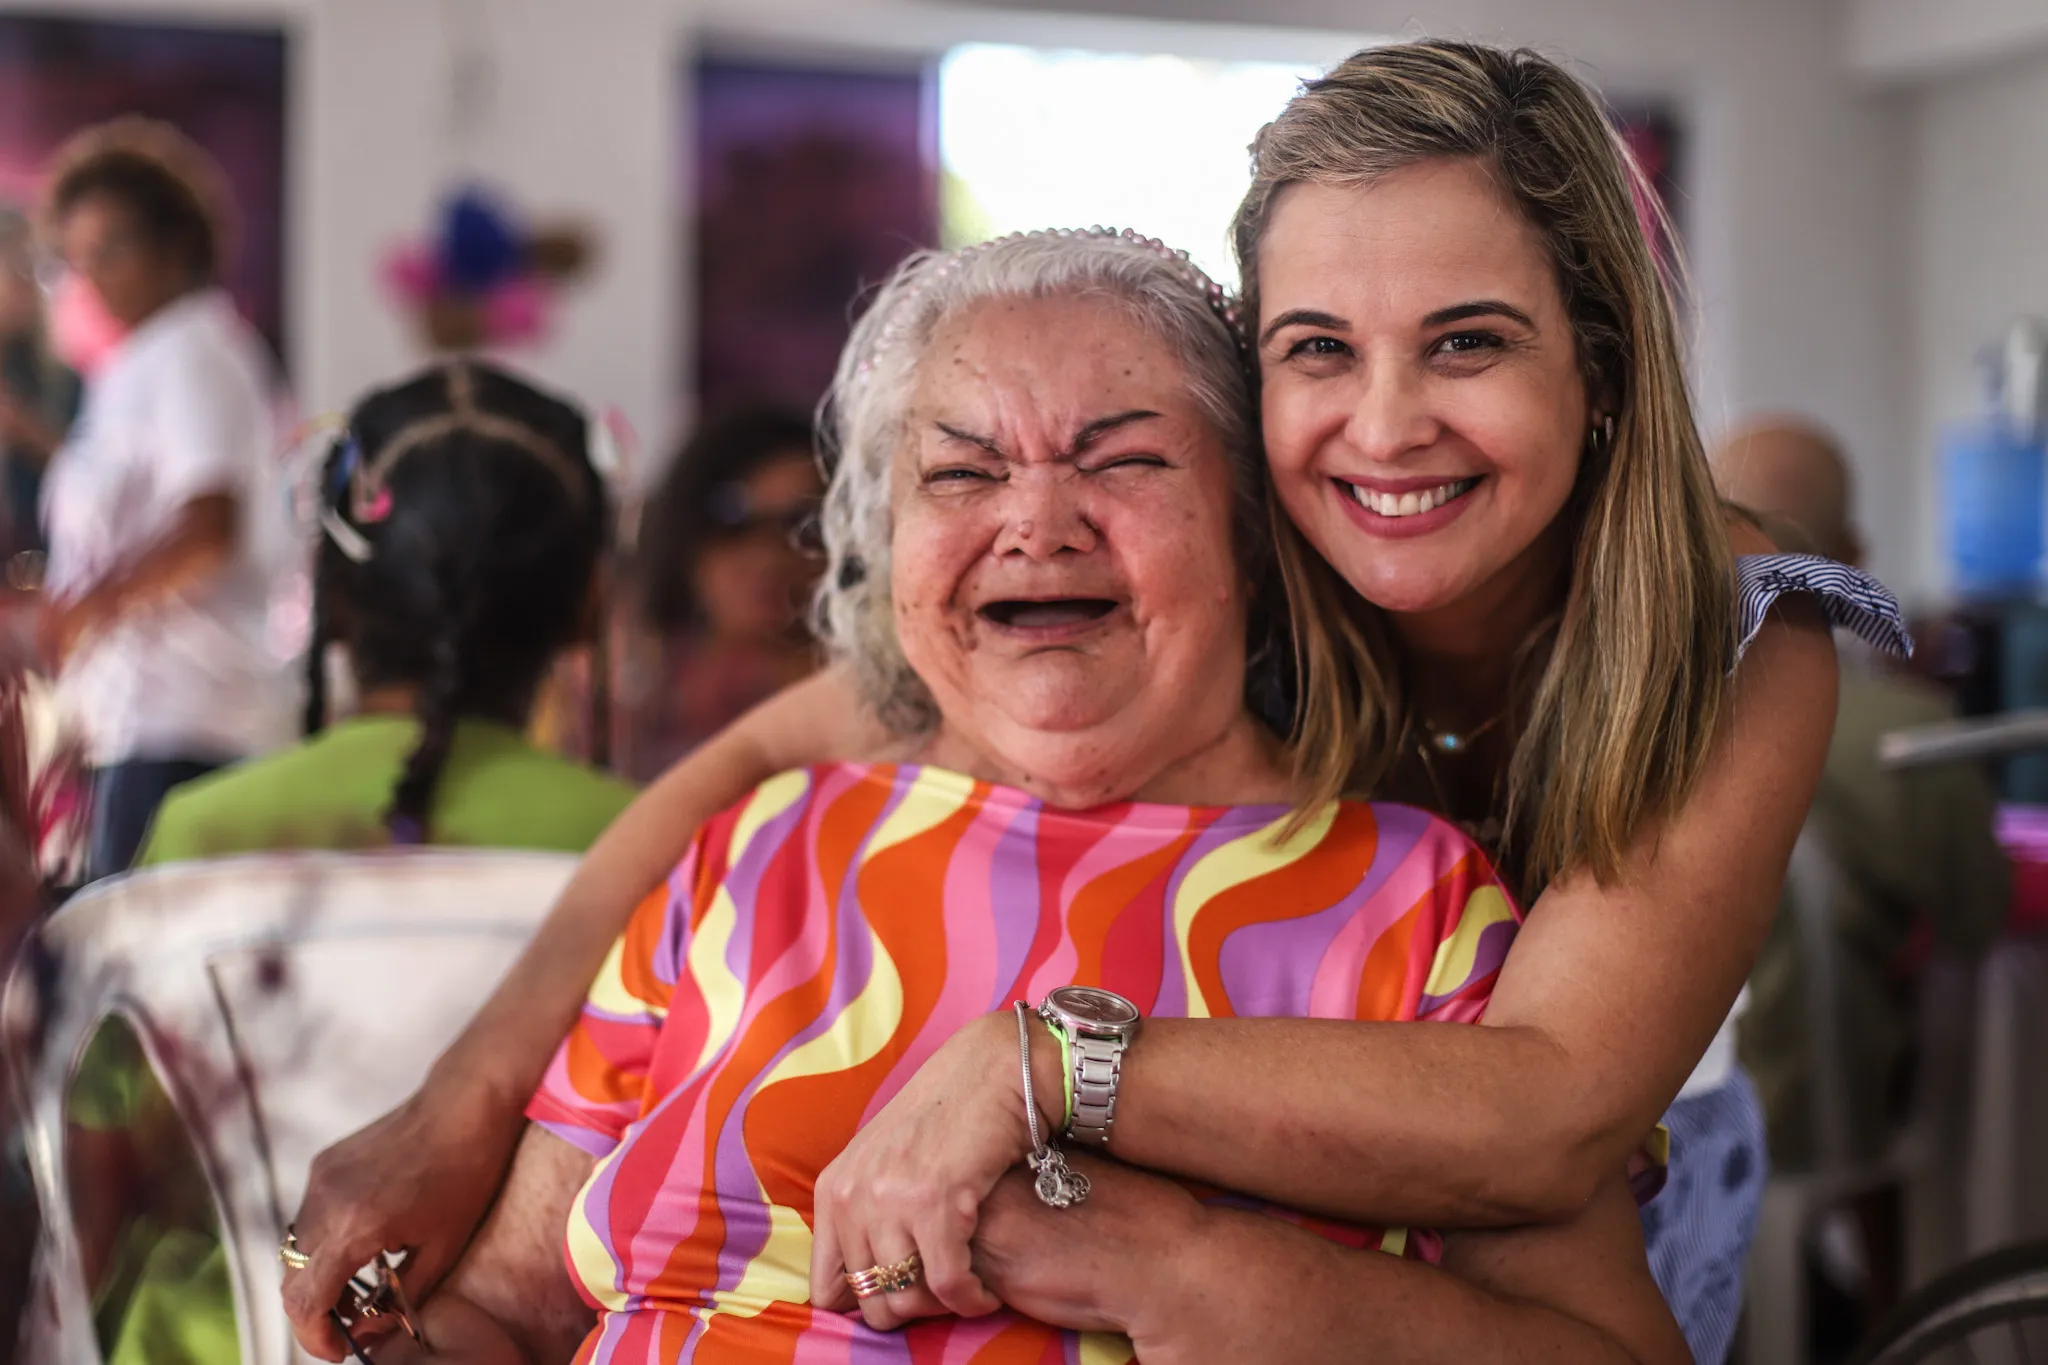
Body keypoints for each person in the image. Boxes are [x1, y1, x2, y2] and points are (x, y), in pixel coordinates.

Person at [283, 42, 1906, 1365]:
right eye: (1318, 350)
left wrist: (1061, 1090)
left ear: (1602, 368)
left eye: (1467, 343)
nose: (1385, 424)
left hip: (1563, 1182)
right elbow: (753, 772)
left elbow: (1545, 1114)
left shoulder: (1720, 644)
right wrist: (464, 1092)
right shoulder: (1179, 607)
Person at [66, 359, 639, 1365]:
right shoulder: (667, 846)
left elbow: (102, 1183)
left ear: (327, 586)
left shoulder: (202, 832)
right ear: (590, 600)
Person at [1716, 419, 2007, 1167]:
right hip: (1848, 1116)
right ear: (1853, 559)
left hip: (1668, 1136)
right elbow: (1979, 927)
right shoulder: (1916, 737)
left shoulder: (1618, 723)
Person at [36, 117, 292, 882]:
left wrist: (84, 608)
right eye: (75, 259)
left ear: (177, 244)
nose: (92, 276)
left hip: (189, 722)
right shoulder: (141, 362)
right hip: (137, 721)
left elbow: (208, 525)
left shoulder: (191, 348)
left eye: (110, 249)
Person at [614, 406, 822, 782]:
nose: (768, 557)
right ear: (686, 530)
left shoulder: (865, 714)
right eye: (734, 520)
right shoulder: (623, 702)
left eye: (801, 525)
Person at [0, 208, 80, 560]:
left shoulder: (62, 378)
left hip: (37, 574)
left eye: (36, 266)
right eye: (17, 264)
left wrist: (31, 435)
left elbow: (95, 477)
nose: (30, 281)